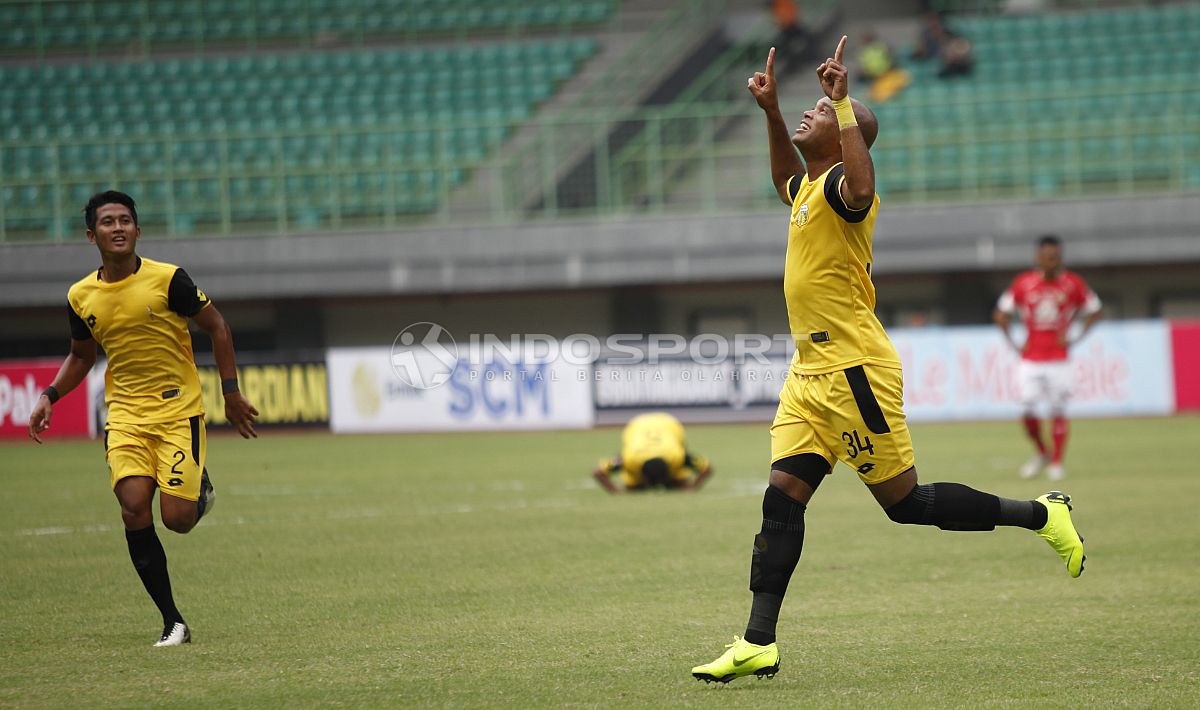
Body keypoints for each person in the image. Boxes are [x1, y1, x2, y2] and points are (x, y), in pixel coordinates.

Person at [690, 40, 1085, 685]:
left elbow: (862, 178)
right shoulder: (809, 188)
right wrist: (770, 111)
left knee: (904, 503)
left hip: (854, 374)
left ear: (847, 135)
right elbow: (781, 177)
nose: (809, 115)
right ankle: (758, 640)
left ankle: (1043, 513)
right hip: (808, 378)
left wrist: (844, 107)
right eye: (815, 110)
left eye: (820, 113)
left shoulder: (851, 190)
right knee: (781, 499)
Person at [27, 191, 259, 647]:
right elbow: (81, 355)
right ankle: (173, 621)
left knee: (177, 519)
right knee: (133, 507)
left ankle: (198, 489)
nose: (119, 228)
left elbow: (218, 326)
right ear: (91, 235)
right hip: (127, 416)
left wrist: (230, 394)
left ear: (137, 229)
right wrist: (50, 394)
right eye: (109, 222)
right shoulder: (80, 296)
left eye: (126, 220)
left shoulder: (169, 279)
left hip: (178, 412)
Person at [994, 235, 1102, 481]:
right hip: (1031, 359)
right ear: (1038, 257)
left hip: (1059, 358)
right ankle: (1042, 452)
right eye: (1047, 257)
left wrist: (1075, 338)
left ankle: (1056, 462)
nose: (1051, 261)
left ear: (1060, 258)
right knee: (1026, 409)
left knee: (1058, 410)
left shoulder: (1073, 284)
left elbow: (1096, 311)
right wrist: (1015, 344)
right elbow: (1000, 314)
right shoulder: (1024, 284)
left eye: (1055, 257)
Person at [592, 412, 713, 494]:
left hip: (669, 424)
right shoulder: (630, 458)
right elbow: (706, 468)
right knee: (634, 487)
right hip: (637, 425)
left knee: (678, 483)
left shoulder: (676, 455)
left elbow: (598, 472)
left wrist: (617, 492)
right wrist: (691, 488)